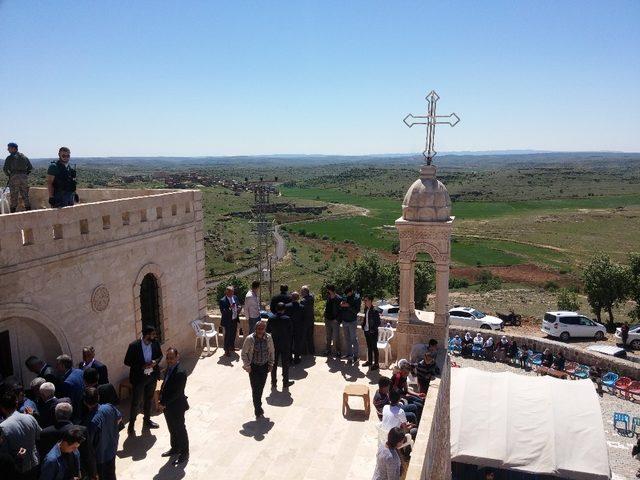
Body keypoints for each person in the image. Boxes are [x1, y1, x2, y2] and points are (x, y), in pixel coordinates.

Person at [124, 325, 163, 434]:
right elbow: (127, 361)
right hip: (139, 379)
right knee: (136, 402)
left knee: (149, 399)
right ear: (146, 335)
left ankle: (147, 420)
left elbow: (160, 355)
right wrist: (141, 366)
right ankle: (131, 425)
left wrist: (155, 362)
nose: (155, 336)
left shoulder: (155, 343)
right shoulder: (134, 346)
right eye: (152, 334)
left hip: (152, 376)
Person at [0, 386, 41, 479]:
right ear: (16, 403)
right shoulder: (30, 417)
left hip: (19, 468)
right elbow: (39, 435)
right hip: (35, 461)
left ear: (2, 408)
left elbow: (4, 453)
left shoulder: (3, 427)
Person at [158, 348, 189, 466]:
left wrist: (163, 403)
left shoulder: (180, 372)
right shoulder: (169, 369)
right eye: (168, 358)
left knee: (180, 429)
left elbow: (177, 392)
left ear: (177, 357)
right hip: (167, 406)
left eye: (172, 358)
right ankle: (175, 448)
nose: (169, 360)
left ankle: (184, 453)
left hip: (176, 406)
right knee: (172, 428)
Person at [241, 320, 275, 419]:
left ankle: (258, 404)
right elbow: (244, 353)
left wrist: (271, 364)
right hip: (254, 367)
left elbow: (272, 351)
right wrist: (247, 366)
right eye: (258, 329)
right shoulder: (250, 339)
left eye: (262, 329)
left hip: (264, 367)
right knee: (255, 389)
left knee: (261, 387)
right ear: (255, 329)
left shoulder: (268, 338)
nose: (260, 331)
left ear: (265, 329)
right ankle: (258, 409)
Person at [86, 387, 122, 479]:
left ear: (85, 402)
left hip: (101, 457)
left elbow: (90, 444)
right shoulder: (109, 407)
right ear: (98, 397)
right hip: (112, 449)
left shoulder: (91, 421)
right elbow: (119, 418)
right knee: (111, 475)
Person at [267, 303, 294, 389]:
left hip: (274, 343)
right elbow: (291, 331)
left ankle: (273, 382)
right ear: (284, 309)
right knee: (285, 364)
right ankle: (285, 382)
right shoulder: (287, 319)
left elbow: (268, 330)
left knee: (273, 363)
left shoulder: (271, 318)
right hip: (285, 344)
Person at [3, 142, 32, 213]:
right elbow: (30, 167)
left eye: (9, 148)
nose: (8, 149)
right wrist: (25, 174)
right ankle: (29, 211)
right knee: (25, 195)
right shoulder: (24, 157)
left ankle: (13, 213)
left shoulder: (10, 158)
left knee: (14, 196)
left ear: (13, 148)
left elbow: (5, 169)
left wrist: (9, 175)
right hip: (24, 177)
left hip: (14, 177)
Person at [55, 355, 84, 421]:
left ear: (63, 366)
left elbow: (69, 402)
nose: (56, 367)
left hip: (77, 414)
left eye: (57, 365)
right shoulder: (80, 371)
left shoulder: (67, 382)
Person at [339, 286, 361, 363]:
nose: (347, 295)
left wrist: (348, 306)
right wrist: (342, 304)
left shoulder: (357, 298)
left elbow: (356, 311)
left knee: (353, 339)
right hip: (345, 321)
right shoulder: (345, 296)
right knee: (347, 338)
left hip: (352, 321)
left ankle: (356, 356)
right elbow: (342, 304)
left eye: (348, 294)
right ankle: (349, 354)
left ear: (351, 291)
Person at [219, 286, 241, 357]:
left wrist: (239, 308)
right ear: (227, 292)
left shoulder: (235, 297)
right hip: (227, 321)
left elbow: (238, 304)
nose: (233, 293)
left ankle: (231, 347)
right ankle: (226, 350)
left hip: (234, 319)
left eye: (233, 291)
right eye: (231, 292)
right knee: (227, 336)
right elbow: (223, 312)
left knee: (233, 334)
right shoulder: (222, 300)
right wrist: (230, 308)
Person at [323, 284, 342, 357]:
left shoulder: (338, 298)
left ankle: (338, 351)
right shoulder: (328, 297)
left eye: (328, 289)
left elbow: (341, 311)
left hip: (335, 320)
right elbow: (327, 306)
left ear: (330, 290)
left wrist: (337, 319)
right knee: (328, 336)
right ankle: (328, 350)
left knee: (336, 337)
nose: (327, 290)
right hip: (327, 319)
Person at [362, 295, 381, 369]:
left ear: (370, 301)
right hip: (367, 331)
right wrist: (363, 325)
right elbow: (365, 319)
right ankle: (369, 362)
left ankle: (376, 364)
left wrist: (373, 329)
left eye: (366, 300)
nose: (365, 302)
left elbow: (378, 322)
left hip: (373, 332)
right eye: (364, 300)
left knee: (374, 348)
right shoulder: (366, 309)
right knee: (369, 347)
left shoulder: (375, 310)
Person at [287, 292, 305, 364]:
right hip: (298, 328)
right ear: (298, 298)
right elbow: (304, 319)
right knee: (297, 344)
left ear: (292, 298)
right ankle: (297, 359)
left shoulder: (287, 306)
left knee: (289, 344)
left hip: (289, 328)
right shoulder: (302, 307)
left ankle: (289, 359)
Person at [300, 286, 315, 355]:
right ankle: (312, 351)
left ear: (305, 292)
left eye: (302, 291)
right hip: (311, 320)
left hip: (304, 321)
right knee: (310, 337)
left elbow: (301, 311)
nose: (300, 292)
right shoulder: (311, 298)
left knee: (304, 337)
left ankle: (304, 352)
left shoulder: (303, 301)